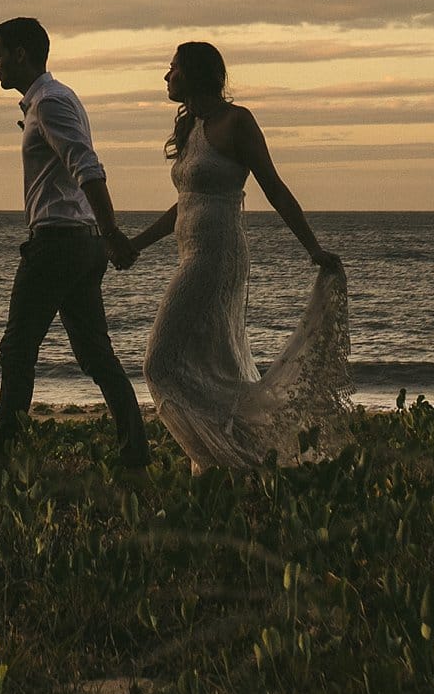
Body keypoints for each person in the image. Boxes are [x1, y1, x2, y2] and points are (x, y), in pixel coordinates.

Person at [115, 40, 351, 470]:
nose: (166, 77)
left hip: (218, 257)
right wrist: (136, 245)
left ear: (195, 73)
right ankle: (228, 461)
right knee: (213, 364)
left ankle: (224, 459)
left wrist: (312, 247)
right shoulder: (191, 128)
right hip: (192, 253)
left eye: (172, 69)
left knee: (159, 362)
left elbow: (273, 186)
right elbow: (185, 204)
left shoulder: (236, 122)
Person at [0, 16, 149, 474]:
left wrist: (113, 233)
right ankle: (135, 450)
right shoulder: (54, 100)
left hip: (58, 242)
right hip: (79, 243)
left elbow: (87, 168)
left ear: (21, 54)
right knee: (96, 354)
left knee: (17, 351)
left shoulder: (50, 103)